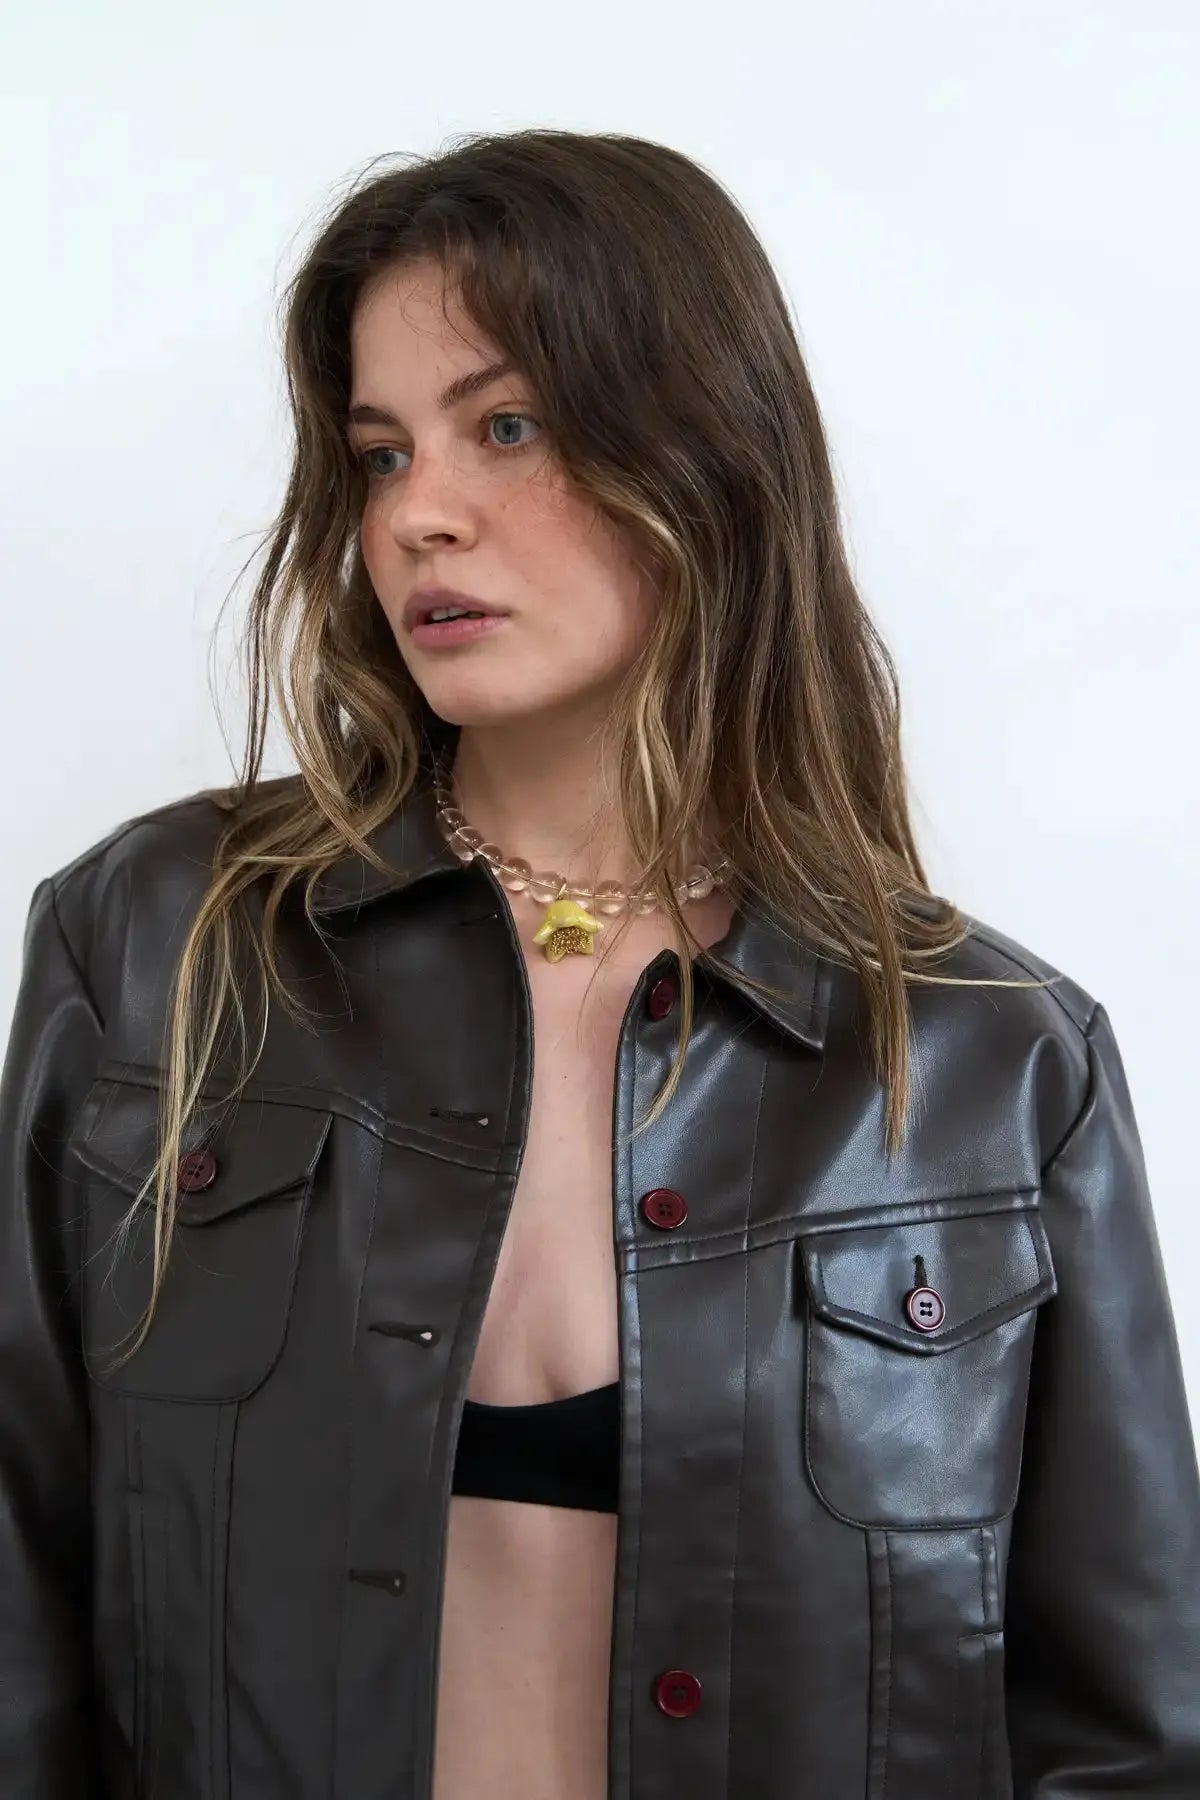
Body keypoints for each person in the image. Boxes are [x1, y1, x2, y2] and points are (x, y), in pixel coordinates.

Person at [1, 127, 1197, 1800]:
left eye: (506, 427)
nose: (418, 515)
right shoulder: (156, 944)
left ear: (701, 452)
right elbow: (19, 1599)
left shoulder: (993, 1063)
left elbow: (1129, 1741)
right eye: (378, 453)